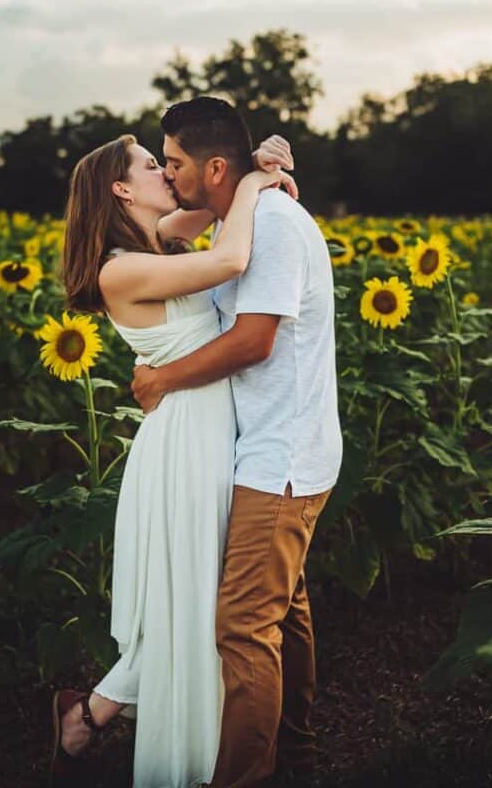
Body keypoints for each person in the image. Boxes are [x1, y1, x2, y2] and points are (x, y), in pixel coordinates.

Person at [49, 125, 297, 788]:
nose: (168, 171)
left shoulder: (158, 241)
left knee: (197, 600)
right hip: (184, 446)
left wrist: (261, 166)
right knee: (189, 601)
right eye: (152, 165)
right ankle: (100, 727)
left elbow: (213, 205)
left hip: (208, 434)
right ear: (121, 188)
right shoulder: (120, 268)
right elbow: (232, 257)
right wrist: (249, 182)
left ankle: (88, 720)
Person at [131, 96, 343, 787]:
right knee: (288, 607)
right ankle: (299, 759)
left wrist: (163, 379)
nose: (167, 174)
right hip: (271, 445)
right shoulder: (243, 214)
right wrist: (252, 178)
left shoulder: (274, 227)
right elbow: (167, 224)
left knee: (244, 628)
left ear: (211, 166)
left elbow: (254, 341)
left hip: (282, 453)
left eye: (174, 163)